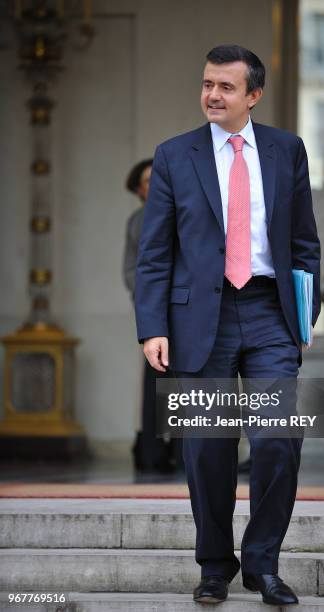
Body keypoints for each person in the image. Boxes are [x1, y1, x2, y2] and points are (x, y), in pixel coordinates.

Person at [136, 45, 320, 605]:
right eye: (207, 84)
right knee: (208, 448)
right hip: (199, 321)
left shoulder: (287, 150)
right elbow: (155, 252)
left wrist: (302, 316)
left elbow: (305, 241)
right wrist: (152, 326)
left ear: (254, 95)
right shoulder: (173, 155)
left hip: (268, 314)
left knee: (276, 441)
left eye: (226, 87)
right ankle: (214, 565)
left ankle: (263, 564)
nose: (212, 95)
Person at [123, 159, 176, 473]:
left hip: (187, 309)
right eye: (146, 180)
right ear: (139, 190)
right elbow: (131, 270)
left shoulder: (181, 210)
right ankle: (153, 454)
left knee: (188, 382)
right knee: (155, 382)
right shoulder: (135, 221)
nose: (153, 183)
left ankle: (185, 454)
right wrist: (149, 298)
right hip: (156, 312)